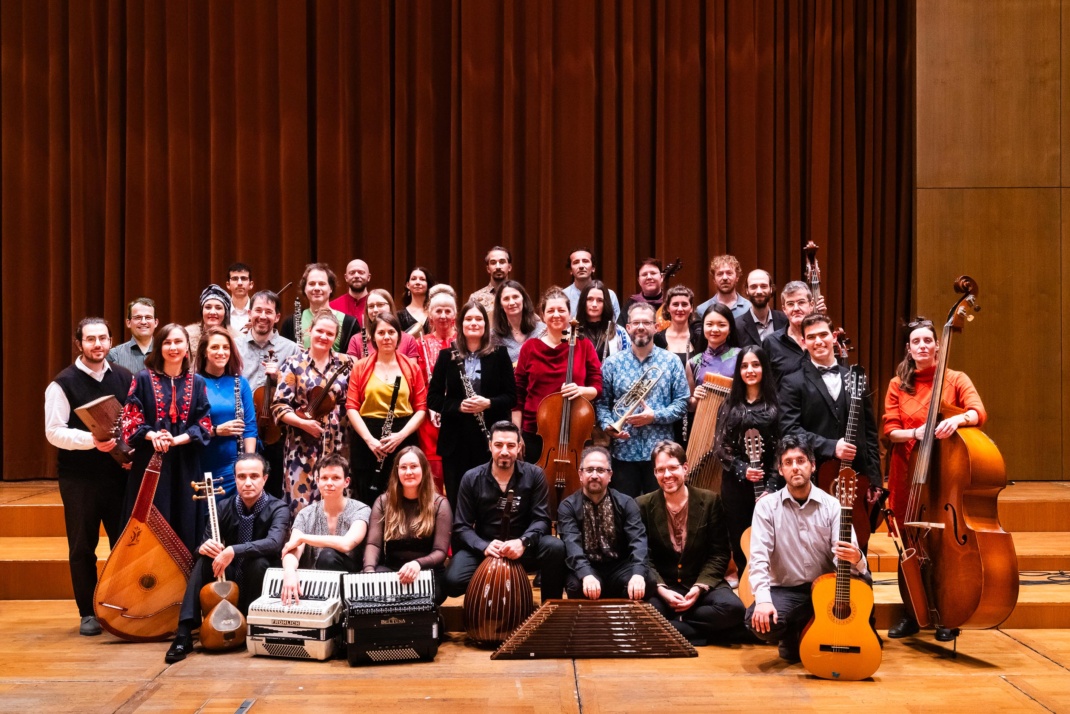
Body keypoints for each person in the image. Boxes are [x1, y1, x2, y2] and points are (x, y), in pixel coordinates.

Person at [882, 317, 987, 640]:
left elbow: (978, 412)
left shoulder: (955, 379)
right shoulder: (897, 384)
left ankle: (947, 613)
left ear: (937, 346)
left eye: (928, 340)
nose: (923, 346)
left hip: (943, 479)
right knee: (910, 546)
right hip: (908, 476)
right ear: (909, 349)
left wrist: (958, 421)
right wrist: (916, 431)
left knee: (941, 546)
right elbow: (889, 430)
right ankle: (913, 612)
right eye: (917, 342)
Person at [45, 318, 133, 636]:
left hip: (119, 477)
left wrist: (130, 453)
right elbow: (54, 432)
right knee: (83, 546)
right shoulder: (62, 383)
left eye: (103, 338)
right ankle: (88, 612)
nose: (97, 344)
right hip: (79, 479)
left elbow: (134, 422)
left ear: (111, 341)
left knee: (124, 545)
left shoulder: (124, 377)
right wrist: (91, 442)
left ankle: (124, 605)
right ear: (78, 343)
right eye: (90, 339)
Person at [745, 435, 868, 663]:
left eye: (801, 461)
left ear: (812, 465)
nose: (795, 468)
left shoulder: (833, 505)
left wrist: (857, 558)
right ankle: (802, 625)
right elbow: (759, 558)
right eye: (788, 462)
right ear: (781, 470)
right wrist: (762, 599)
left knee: (863, 580)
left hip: (826, 587)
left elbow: (852, 560)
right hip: (787, 589)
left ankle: (827, 629)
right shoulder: (766, 507)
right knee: (759, 622)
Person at [164, 453, 289, 664]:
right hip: (230, 576)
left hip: (260, 579)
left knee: (258, 563)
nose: (247, 482)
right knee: (204, 561)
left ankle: (250, 625)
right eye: (241, 477)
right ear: (235, 479)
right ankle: (184, 634)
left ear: (265, 478)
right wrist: (203, 548)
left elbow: (274, 543)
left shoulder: (279, 508)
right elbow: (203, 546)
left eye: (254, 476)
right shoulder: (222, 506)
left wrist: (233, 550)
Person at [778, 313, 882, 550]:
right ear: (803, 342)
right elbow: (789, 431)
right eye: (811, 337)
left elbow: (869, 433)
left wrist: (874, 478)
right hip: (815, 477)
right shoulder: (792, 382)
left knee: (856, 544)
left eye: (823, 334)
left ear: (834, 337)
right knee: (818, 546)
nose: (818, 341)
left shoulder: (855, 378)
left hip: (856, 478)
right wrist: (830, 446)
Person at [637, 441, 747, 645]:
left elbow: (719, 553)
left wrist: (698, 588)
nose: (667, 475)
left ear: (685, 468)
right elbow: (643, 556)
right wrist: (661, 589)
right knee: (642, 614)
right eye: (661, 470)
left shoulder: (710, 500)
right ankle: (712, 634)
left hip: (700, 583)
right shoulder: (642, 504)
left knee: (734, 610)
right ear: (654, 473)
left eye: (672, 468)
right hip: (664, 586)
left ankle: (674, 626)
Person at [444, 421, 565, 602]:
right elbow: (461, 526)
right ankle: (490, 601)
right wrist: (483, 546)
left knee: (555, 548)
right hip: (486, 546)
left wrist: (523, 542)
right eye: (499, 445)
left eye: (510, 445)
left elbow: (542, 519)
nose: (505, 451)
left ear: (519, 447)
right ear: (490, 445)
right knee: (453, 581)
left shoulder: (535, 474)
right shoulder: (471, 478)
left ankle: (551, 610)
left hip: (523, 547)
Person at [121, 323, 213, 554]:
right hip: (149, 464)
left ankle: (183, 585)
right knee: (148, 520)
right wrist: (153, 436)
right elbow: (130, 419)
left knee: (185, 519)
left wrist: (177, 439)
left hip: (186, 465)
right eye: (167, 342)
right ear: (159, 347)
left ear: (187, 348)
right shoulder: (142, 378)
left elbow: (205, 424)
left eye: (178, 342)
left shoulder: (198, 381)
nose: (173, 347)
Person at [427, 301, 516, 508]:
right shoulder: (446, 356)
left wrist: (488, 403)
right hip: (455, 443)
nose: (473, 323)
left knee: (488, 501)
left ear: (486, 324)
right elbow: (433, 398)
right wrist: (458, 406)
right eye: (468, 319)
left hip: (488, 441)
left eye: (478, 319)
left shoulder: (500, 355)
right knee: (458, 501)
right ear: (459, 324)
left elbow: (511, 397)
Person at [596, 303, 689, 497]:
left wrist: (654, 416)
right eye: (636, 322)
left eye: (646, 322)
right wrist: (608, 426)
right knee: (624, 510)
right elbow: (602, 404)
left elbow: (682, 403)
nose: (641, 327)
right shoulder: (613, 363)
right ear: (628, 327)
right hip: (623, 452)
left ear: (656, 327)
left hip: (660, 454)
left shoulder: (671, 361)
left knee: (658, 513)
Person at [272, 309, 353, 517]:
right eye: (320, 331)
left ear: (335, 338)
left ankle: (332, 549)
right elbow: (279, 405)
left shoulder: (347, 363)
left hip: (338, 445)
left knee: (335, 505)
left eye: (330, 334)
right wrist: (303, 424)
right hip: (301, 446)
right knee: (301, 506)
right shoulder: (293, 364)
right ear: (310, 330)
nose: (324, 337)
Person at [712, 345, 782, 572]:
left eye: (755, 364)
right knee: (740, 537)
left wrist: (770, 487)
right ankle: (744, 582)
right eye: (744, 366)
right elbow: (719, 447)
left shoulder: (776, 406)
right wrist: (743, 469)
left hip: (771, 486)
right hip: (736, 484)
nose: (750, 370)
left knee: (772, 540)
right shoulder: (729, 405)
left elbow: (782, 449)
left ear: (764, 368)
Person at [513, 287, 602, 463]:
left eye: (561, 310)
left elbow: (598, 387)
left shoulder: (584, 345)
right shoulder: (529, 347)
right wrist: (517, 433)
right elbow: (518, 393)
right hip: (535, 430)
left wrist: (581, 390)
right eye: (550, 310)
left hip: (574, 428)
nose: (556, 315)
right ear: (542, 315)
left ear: (570, 314)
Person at [346, 312, 427, 504]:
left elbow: (421, 409)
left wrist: (400, 436)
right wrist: (370, 441)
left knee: (403, 492)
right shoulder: (360, 366)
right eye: (381, 332)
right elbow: (351, 407)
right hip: (368, 438)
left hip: (402, 435)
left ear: (399, 335)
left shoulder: (411, 367)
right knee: (368, 495)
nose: (387, 337)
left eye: (391, 332)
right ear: (373, 337)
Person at [557, 446, 652, 601]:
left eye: (601, 470)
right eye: (589, 470)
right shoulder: (568, 506)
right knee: (577, 586)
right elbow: (571, 544)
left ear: (610, 475)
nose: (594, 475)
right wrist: (586, 573)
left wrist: (638, 574)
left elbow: (638, 541)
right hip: (589, 565)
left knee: (647, 582)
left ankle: (624, 624)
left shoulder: (626, 502)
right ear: (580, 474)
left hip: (619, 567)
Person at [363, 446, 452, 605]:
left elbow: (440, 551)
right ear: (397, 471)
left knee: (430, 594)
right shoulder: (383, 502)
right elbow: (373, 544)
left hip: (426, 571)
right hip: (393, 570)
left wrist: (417, 564)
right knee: (372, 590)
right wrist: (369, 570)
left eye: (414, 466)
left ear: (424, 469)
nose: (408, 472)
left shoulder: (440, 504)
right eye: (403, 467)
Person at [280, 453, 371, 605]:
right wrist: (289, 572)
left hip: (351, 584)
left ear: (346, 482)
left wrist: (303, 538)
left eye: (335, 478)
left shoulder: (361, 509)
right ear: (317, 481)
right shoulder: (306, 513)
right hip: (314, 585)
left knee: (328, 556)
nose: (329, 483)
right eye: (324, 478)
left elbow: (346, 544)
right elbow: (292, 551)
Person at [237, 289, 301, 497]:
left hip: (277, 431)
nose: (263, 316)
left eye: (268, 311)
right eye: (258, 310)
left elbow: (299, 391)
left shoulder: (291, 349)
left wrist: (278, 379)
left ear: (277, 317)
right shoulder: (235, 347)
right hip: (242, 427)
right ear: (249, 313)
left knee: (274, 489)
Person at [196, 326, 257, 497]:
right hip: (202, 462)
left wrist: (248, 463)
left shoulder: (240, 383)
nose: (221, 352)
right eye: (214, 347)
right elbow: (188, 427)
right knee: (206, 520)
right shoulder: (193, 382)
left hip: (234, 465)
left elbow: (250, 427)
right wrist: (216, 431)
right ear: (204, 352)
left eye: (226, 347)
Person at [413, 286, 457, 489]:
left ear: (455, 315)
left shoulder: (464, 343)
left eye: (448, 310)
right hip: (430, 417)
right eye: (438, 311)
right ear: (430, 316)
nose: (443, 315)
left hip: (458, 414)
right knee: (434, 473)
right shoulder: (419, 343)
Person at [653, 285, 704, 446]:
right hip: (666, 409)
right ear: (667, 308)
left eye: (685, 304)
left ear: (691, 308)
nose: (680, 308)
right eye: (675, 304)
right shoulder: (658, 339)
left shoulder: (700, 338)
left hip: (695, 409)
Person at [281, 263, 360, 352]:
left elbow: (355, 360)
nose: (317, 288)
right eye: (312, 284)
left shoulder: (350, 324)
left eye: (322, 284)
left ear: (331, 288)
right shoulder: (290, 323)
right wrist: (293, 351)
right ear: (305, 289)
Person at [761, 281, 817, 385]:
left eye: (801, 302)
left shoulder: (821, 341)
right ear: (784, 309)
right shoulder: (771, 343)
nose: (796, 308)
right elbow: (764, 385)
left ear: (811, 305)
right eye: (790, 304)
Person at [346, 288, 420, 360]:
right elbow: (354, 371)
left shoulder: (409, 340)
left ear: (390, 307)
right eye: (371, 306)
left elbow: (411, 371)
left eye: (380, 305)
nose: (375, 310)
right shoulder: (355, 340)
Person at [491, 279, 545, 365]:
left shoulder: (542, 330)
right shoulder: (493, 336)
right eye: (506, 299)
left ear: (523, 299)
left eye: (515, 297)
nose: (512, 302)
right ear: (500, 304)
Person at [577, 280, 629, 364]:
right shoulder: (572, 332)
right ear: (583, 302)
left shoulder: (619, 332)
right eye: (590, 299)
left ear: (605, 303)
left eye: (599, 300)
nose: (594, 304)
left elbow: (627, 363)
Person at [562, 247, 621, 321]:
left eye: (585, 261)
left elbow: (616, 325)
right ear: (570, 270)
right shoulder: (562, 296)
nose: (581, 266)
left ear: (593, 268)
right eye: (576, 262)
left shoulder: (609, 294)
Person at [689, 302, 741, 384]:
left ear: (730, 329)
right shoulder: (694, 362)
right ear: (703, 327)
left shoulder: (741, 356)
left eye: (721, 325)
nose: (715, 329)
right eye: (709, 324)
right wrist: (694, 396)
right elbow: (689, 396)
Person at [735, 269, 787, 347]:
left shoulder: (785, 321)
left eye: (763, 286)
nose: (759, 291)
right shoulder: (737, 326)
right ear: (747, 290)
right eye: (753, 287)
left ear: (771, 289)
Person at [107, 297, 157, 374]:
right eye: (138, 317)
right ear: (128, 323)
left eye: (148, 317)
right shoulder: (114, 355)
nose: (143, 322)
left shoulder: (166, 353)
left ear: (156, 322)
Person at [696, 254, 752, 320]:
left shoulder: (750, 308)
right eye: (720, 274)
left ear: (737, 277)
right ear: (714, 279)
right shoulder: (702, 310)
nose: (725, 278)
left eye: (729, 273)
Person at [186, 284, 236, 355]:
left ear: (225, 313)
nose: (212, 312)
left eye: (218, 308)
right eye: (208, 307)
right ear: (202, 311)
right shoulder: (187, 336)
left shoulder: (237, 339)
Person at [618, 258, 665, 327]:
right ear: (639, 281)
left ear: (661, 277)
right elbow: (620, 331)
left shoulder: (671, 303)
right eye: (644, 274)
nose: (649, 277)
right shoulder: (631, 303)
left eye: (653, 273)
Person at [468, 246, 512, 315]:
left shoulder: (519, 296)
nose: (498, 267)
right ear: (488, 269)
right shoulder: (475, 298)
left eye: (502, 262)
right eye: (493, 262)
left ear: (509, 267)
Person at [329, 258, 372, 325]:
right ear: (346, 277)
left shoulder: (377, 306)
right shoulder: (332, 307)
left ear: (368, 277)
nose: (356, 276)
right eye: (352, 273)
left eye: (361, 272)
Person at [396, 266, 434, 335]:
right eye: (413, 279)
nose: (417, 282)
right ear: (407, 285)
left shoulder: (435, 312)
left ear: (428, 285)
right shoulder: (399, 316)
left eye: (422, 279)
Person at [225, 262, 254, 334]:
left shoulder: (259, 312)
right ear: (228, 284)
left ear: (251, 284)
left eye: (243, 278)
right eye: (235, 279)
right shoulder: (222, 311)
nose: (240, 283)